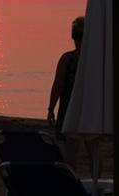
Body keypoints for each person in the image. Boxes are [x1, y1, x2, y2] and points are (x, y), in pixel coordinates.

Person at [47, 16, 90, 170]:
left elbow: (58, 85)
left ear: (73, 36)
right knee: (93, 149)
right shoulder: (95, 60)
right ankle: (96, 179)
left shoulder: (68, 59)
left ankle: (71, 177)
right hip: (91, 108)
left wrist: (51, 108)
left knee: (71, 149)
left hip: (70, 109)